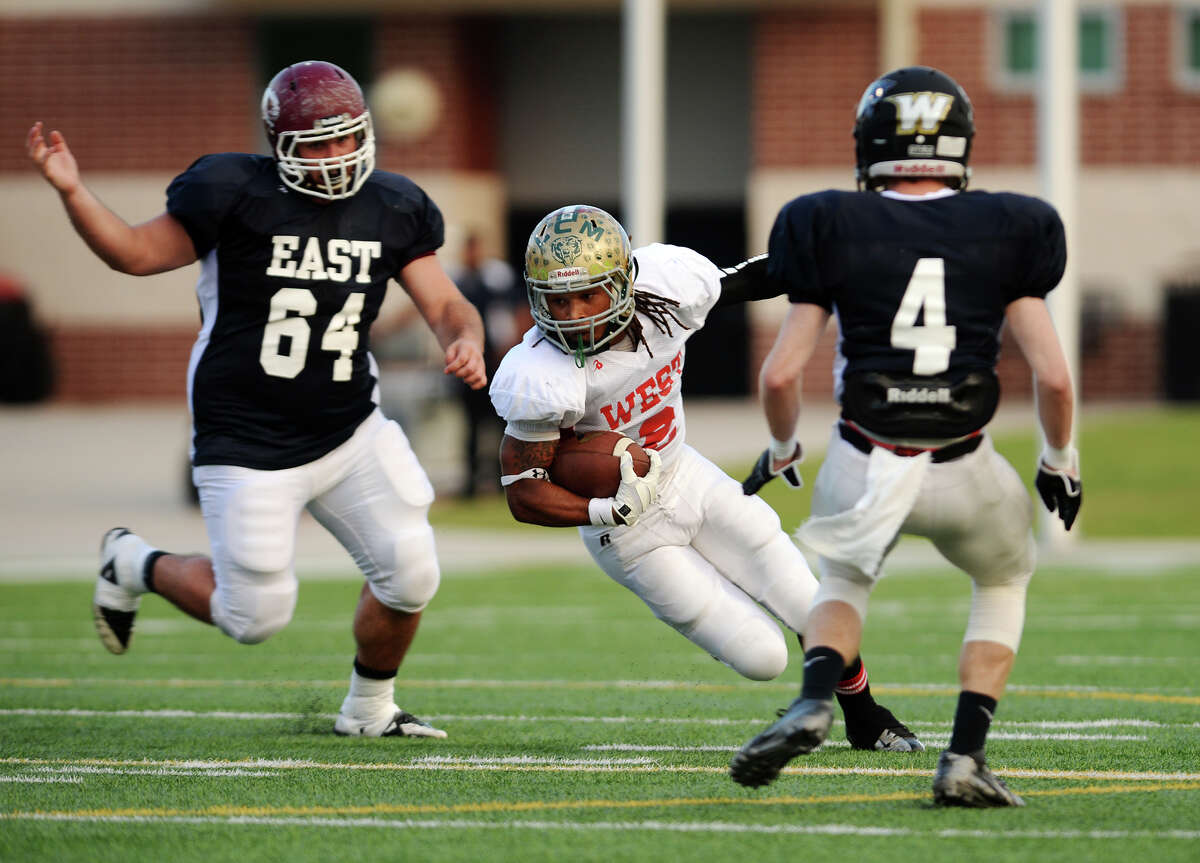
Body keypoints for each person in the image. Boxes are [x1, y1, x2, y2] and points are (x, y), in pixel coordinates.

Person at [26, 60, 486, 739]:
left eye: (345, 139)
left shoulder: (393, 205)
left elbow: (446, 303)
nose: (335, 158)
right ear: (278, 146)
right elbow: (132, 252)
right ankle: (133, 561)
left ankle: (368, 710)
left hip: (349, 429)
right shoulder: (231, 191)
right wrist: (73, 192)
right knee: (254, 617)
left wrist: (465, 337)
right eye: (316, 145)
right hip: (245, 438)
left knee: (411, 570)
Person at [728, 66, 1081, 806]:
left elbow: (781, 375)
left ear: (870, 145)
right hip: (965, 464)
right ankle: (964, 754)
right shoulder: (1015, 225)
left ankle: (817, 698)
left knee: (845, 579)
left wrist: (784, 447)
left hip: (865, 455)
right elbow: (1053, 377)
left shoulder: (823, 220)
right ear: (960, 145)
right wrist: (1060, 460)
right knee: (1002, 579)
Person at [489, 203, 923, 753]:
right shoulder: (539, 375)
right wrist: (605, 511)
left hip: (682, 471)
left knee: (801, 593)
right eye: (557, 299)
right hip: (625, 531)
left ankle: (866, 717)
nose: (572, 314)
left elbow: (744, 280)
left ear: (624, 282)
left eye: (588, 294)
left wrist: (825, 266)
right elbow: (524, 493)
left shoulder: (668, 292)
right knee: (765, 659)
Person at [449, 232, 525, 497]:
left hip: (494, 360)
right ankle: (471, 482)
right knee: (471, 425)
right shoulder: (459, 280)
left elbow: (514, 311)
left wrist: (514, 346)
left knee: (500, 423)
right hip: (469, 360)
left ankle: (501, 479)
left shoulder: (496, 278)